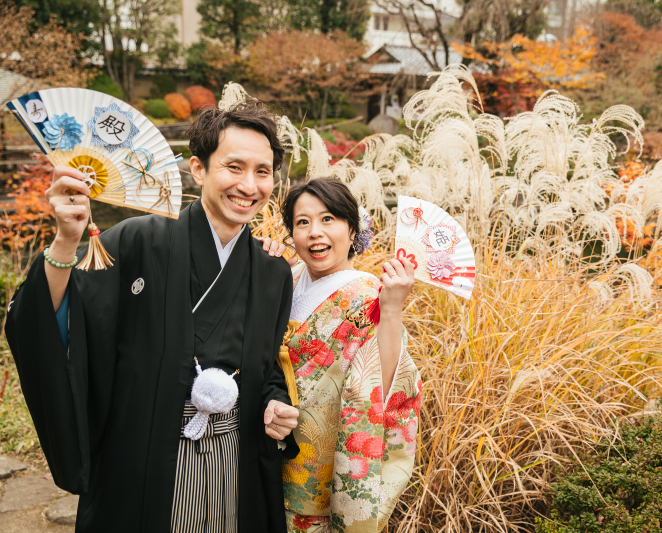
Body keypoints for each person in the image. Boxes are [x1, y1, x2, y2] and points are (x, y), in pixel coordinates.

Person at [4, 94, 300, 532]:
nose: (249, 185)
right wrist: (67, 240)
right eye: (233, 167)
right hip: (143, 456)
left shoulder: (273, 271)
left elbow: (266, 368)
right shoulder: (137, 241)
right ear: (198, 169)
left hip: (234, 462)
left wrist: (276, 402)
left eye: (263, 172)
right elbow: (59, 320)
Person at [266, 177, 422, 532]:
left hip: (317, 481)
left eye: (328, 219)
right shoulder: (280, 280)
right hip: (262, 458)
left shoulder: (369, 296)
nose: (314, 233)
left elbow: (384, 390)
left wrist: (393, 309)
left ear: (352, 230)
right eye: (302, 222)